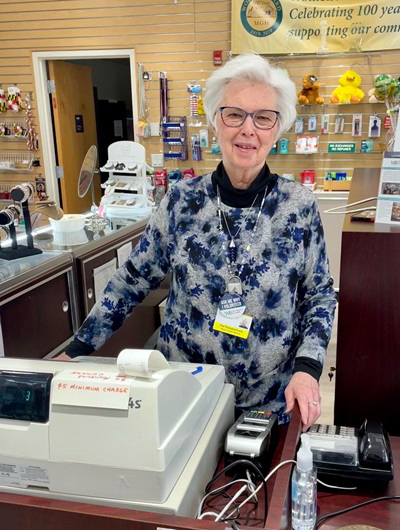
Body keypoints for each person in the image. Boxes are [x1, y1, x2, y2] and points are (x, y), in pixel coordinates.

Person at [59, 54, 336, 431]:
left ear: (277, 128)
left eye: (263, 117)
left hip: (270, 397)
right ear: (215, 121)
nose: (247, 129)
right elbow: (132, 281)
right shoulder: (181, 201)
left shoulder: (298, 206)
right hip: (184, 391)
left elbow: (319, 295)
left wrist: (308, 368)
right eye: (234, 114)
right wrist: (76, 350)